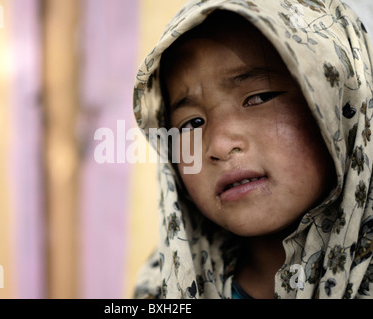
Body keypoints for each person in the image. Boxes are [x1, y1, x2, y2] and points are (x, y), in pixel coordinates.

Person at [132, 0, 373, 299]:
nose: (219, 145)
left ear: (341, 101)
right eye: (192, 123)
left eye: (259, 97)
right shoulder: (162, 288)